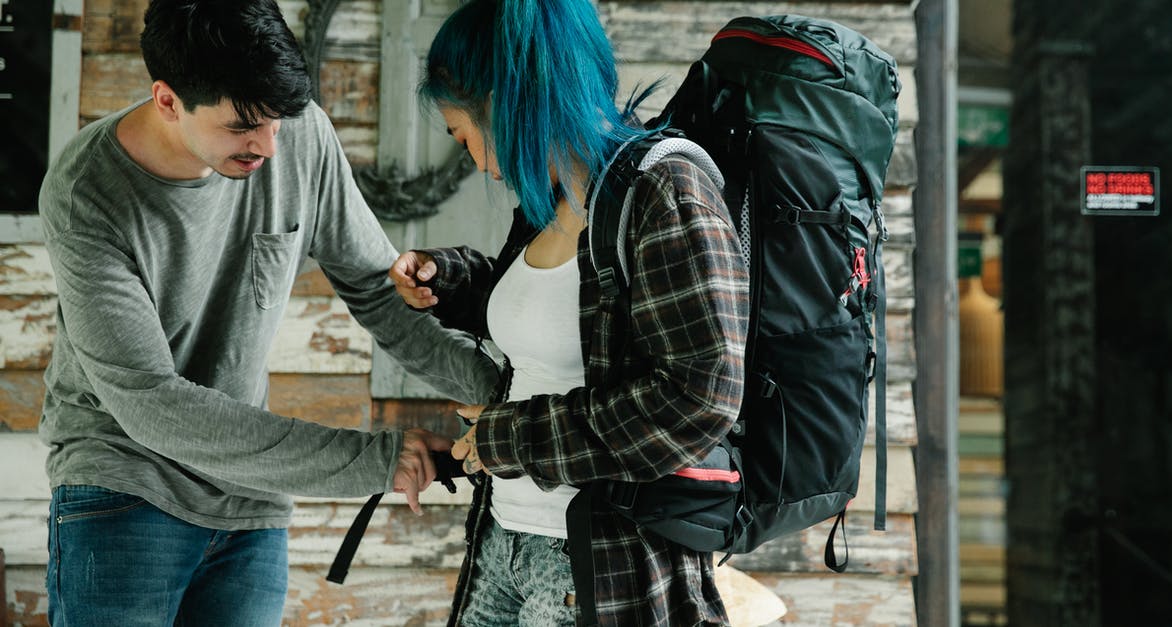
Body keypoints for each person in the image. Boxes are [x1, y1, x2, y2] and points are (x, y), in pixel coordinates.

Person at [37, 0, 497, 624]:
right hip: (123, 489)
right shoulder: (86, 192)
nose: (270, 147)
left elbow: (378, 291)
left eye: (280, 120)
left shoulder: (296, 134)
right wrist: (376, 460)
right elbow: (150, 401)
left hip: (250, 502)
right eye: (243, 127)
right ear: (168, 100)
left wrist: (511, 403)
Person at [388, 1, 750, 624]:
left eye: (464, 134)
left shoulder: (666, 190)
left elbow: (700, 397)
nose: (474, 160)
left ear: (505, 101)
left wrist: (510, 436)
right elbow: (565, 324)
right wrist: (446, 279)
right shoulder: (550, 198)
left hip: (600, 559)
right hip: (502, 539)